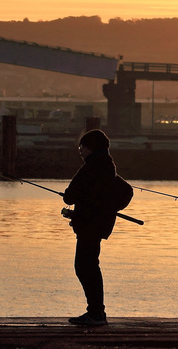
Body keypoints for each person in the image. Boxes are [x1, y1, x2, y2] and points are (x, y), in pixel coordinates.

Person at [61, 129, 119, 326]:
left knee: (85, 266)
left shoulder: (91, 167)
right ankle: (96, 311)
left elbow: (69, 195)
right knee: (89, 265)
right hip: (98, 223)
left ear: (90, 148)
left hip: (89, 225)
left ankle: (96, 312)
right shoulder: (108, 166)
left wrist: (76, 206)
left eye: (82, 147)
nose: (81, 152)